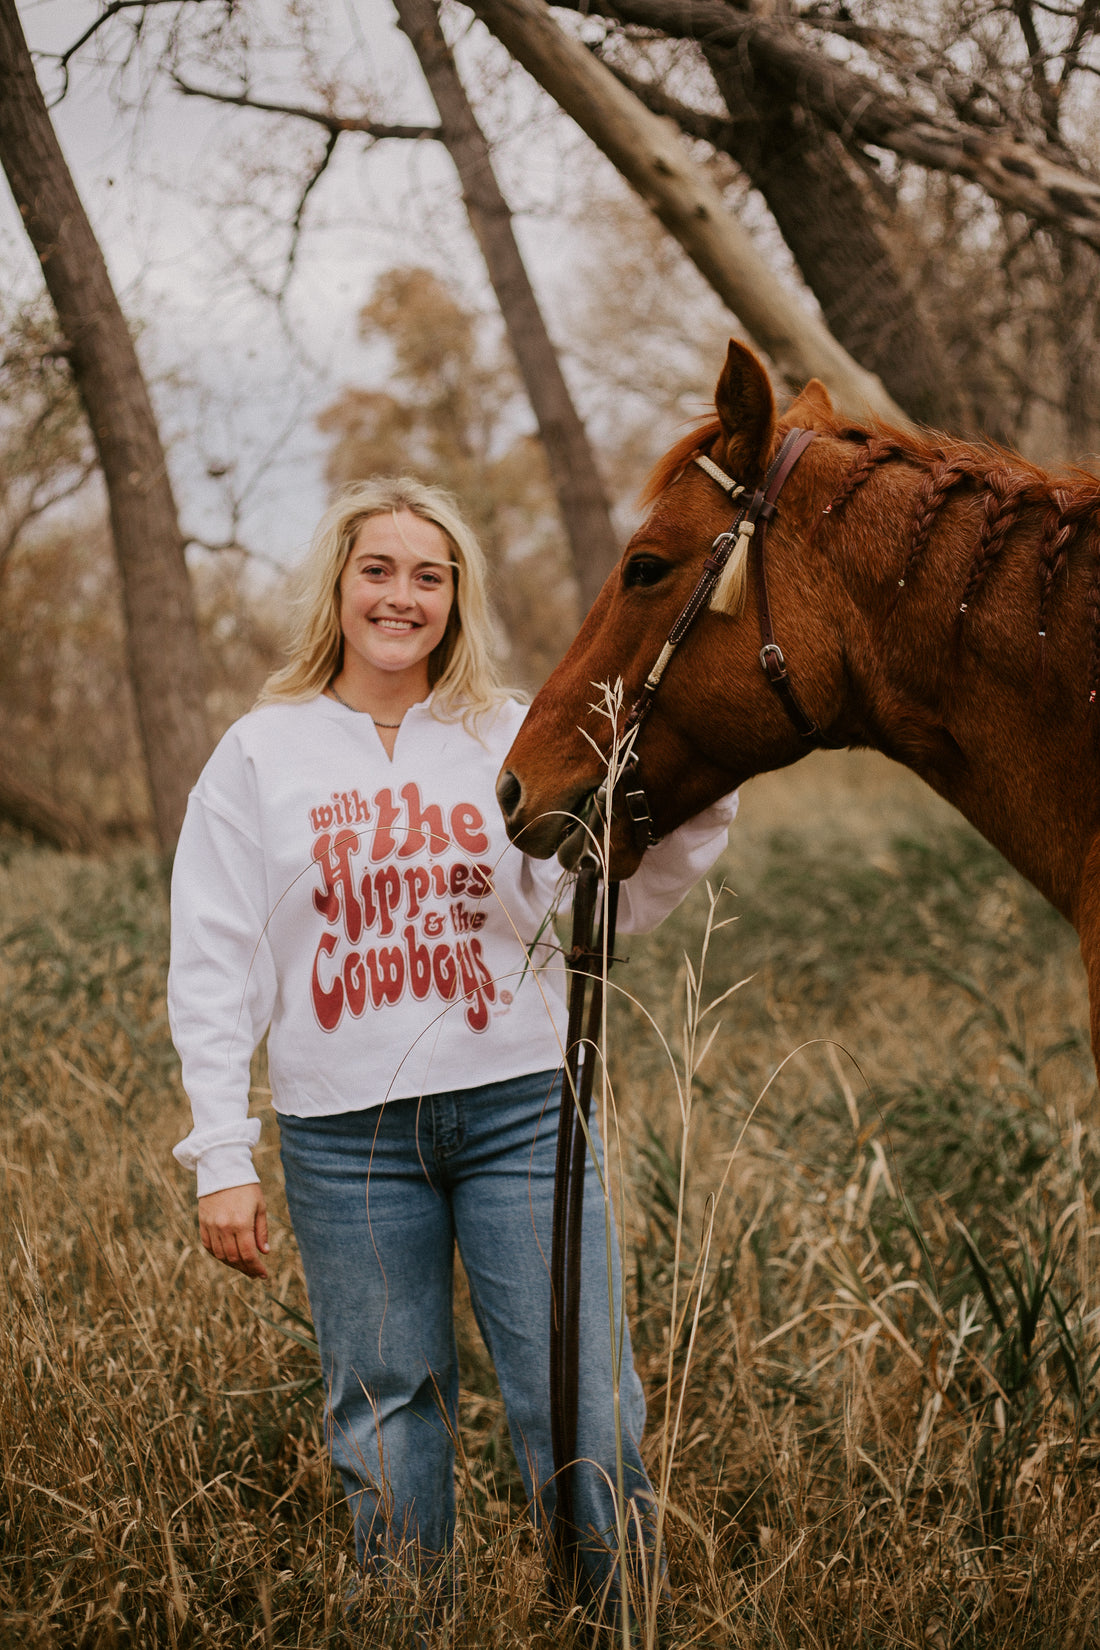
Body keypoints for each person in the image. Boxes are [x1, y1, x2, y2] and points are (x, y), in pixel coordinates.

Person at [168, 477, 737, 1632]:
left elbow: (592, 906)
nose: (402, 595)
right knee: (384, 1408)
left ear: (455, 597)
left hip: (520, 1113)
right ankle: (404, 1625)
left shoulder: (507, 728)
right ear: (338, 584)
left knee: (580, 1404)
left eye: (430, 575)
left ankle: (616, 1624)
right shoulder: (260, 752)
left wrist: (694, 804)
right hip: (345, 1137)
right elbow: (215, 960)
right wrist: (221, 1151)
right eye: (377, 569)